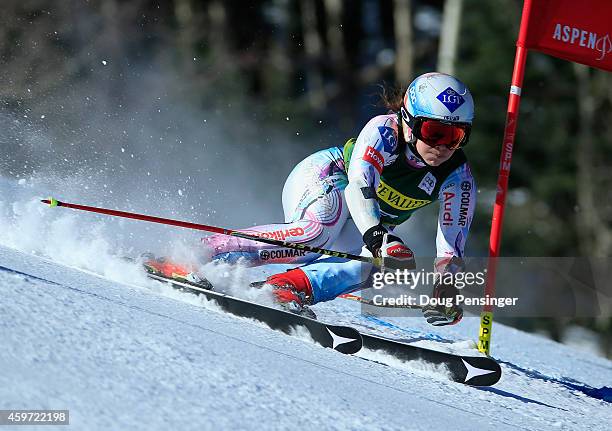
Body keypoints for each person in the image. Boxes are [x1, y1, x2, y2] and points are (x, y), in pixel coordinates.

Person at [146, 72, 476, 326]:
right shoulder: (384, 132)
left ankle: (286, 287)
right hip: (328, 180)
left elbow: (451, 246)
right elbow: (359, 185)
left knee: (381, 266)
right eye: (435, 132)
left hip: (364, 221)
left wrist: (447, 289)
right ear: (408, 120)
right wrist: (379, 237)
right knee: (317, 231)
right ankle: (200, 255)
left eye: (457, 136)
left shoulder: (457, 178)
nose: (444, 146)